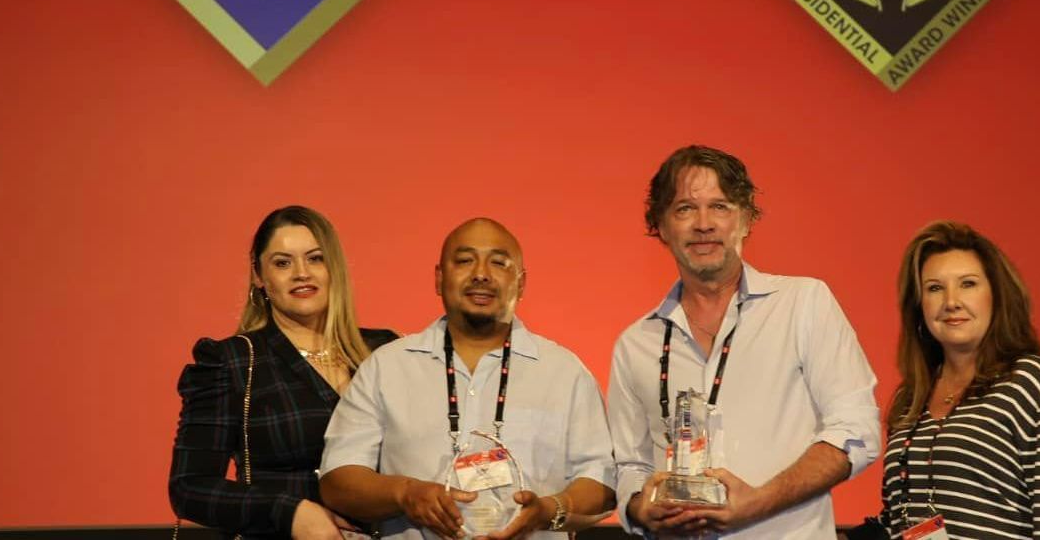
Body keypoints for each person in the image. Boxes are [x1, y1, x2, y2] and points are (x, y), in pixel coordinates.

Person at [608, 145, 880, 538]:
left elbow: (857, 430)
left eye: (720, 206)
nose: (704, 224)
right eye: (685, 208)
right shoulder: (636, 345)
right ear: (662, 226)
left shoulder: (804, 304)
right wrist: (640, 507)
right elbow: (628, 466)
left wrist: (759, 501)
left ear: (746, 219)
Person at [318, 217, 615, 539]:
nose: (481, 274)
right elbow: (338, 479)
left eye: (499, 263)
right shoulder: (386, 367)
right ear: (438, 277)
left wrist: (549, 510)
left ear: (522, 282)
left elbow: (602, 483)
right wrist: (405, 493)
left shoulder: (564, 372)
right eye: (465, 261)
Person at [169, 205, 398, 539]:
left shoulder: (385, 351)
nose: (301, 273)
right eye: (282, 263)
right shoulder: (232, 362)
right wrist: (289, 512)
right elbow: (189, 488)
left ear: (334, 267)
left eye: (315, 258)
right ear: (260, 276)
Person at [879, 221, 1040, 538]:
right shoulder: (909, 400)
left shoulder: (1033, 381)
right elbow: (900, 520)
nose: (951, 301)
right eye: (935, 288)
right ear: (918, 306)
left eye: (968, 284)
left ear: (996, 294)